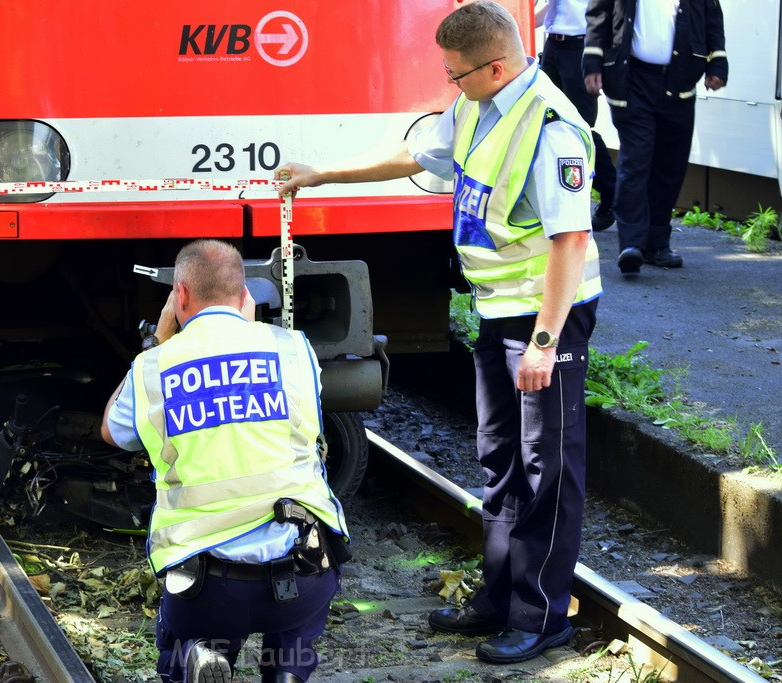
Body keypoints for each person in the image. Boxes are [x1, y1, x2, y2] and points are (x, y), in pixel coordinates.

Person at [275, 0, 601, 665]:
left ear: (497, 64)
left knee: (547, 470)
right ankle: (499, 597)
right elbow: (413, 151)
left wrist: (544, 341)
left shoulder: (551, 129)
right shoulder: (478, 107)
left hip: (547, 317)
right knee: (500, 458)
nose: (449, 86)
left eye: (457, 75)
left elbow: (570, 243)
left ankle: (542, 617)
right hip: (498, 310)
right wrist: (323, 175)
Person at [100, 239, 349, 683]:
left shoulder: (155, 366)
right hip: (302, 572)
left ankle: (197, 651)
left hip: (207, 585)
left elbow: (113, 432)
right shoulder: (293, 348)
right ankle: (288, 671)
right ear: (246, 295)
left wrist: (156, 344)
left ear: (180, 296)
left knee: (190, 632)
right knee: (295, 621)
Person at [583, 0, 727, 274]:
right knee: (636, 159)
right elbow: (599, 13)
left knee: (670, 164)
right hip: (631, 78)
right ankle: (632, 243)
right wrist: (592, 61)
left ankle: (657, 243)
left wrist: (717, 62)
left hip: (679, 79)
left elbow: (711, 17)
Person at [536, 0, 618, 231]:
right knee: (546, 122)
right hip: (553, 45)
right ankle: (559, 200)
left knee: (579, 126)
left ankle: (612, 193)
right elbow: (554, 12)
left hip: (581, 47)